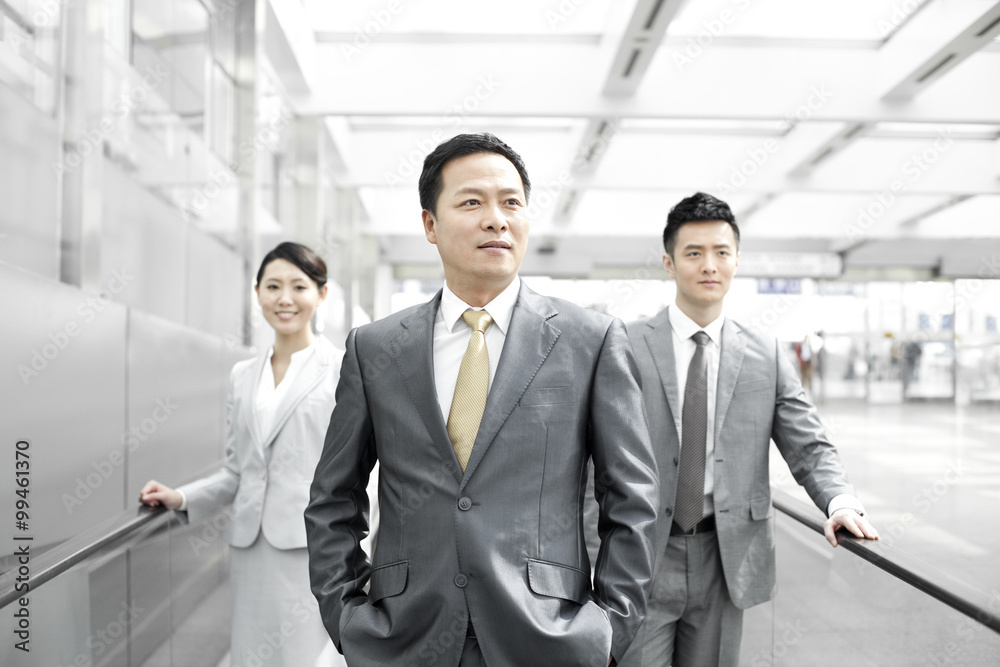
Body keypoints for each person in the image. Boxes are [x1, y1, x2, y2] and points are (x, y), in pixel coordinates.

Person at [305, 133, 660, 667]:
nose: (497, 219)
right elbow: (334, 498)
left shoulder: (591, 340)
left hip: (547, 638)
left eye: (511, 202)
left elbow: (632, 497)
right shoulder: (374, 348)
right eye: (472, 202)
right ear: (430, 224)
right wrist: (347, 618)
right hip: (404, 638)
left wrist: (609, 627)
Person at [619, 193, 879, 667]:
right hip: (642, 553)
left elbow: (809, 444)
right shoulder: (625, 345)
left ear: (737, 260)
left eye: (721, 252)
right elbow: (593, 454)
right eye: (693, 253)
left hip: (727, 554)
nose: (709, 265)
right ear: (669, 262)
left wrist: (839, 501)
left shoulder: (766, 353)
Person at [140, 242, 346, 667]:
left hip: (313, 547)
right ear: (257, 294)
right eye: (272, 286)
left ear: (321, 294)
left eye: (298, 286)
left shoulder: (343, 369)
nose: (284, 299)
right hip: (250, 546)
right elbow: (238, 471)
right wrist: (182, 497)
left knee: (308, 656)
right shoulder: (242, 376)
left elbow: (361, 470)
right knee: (252, 654)